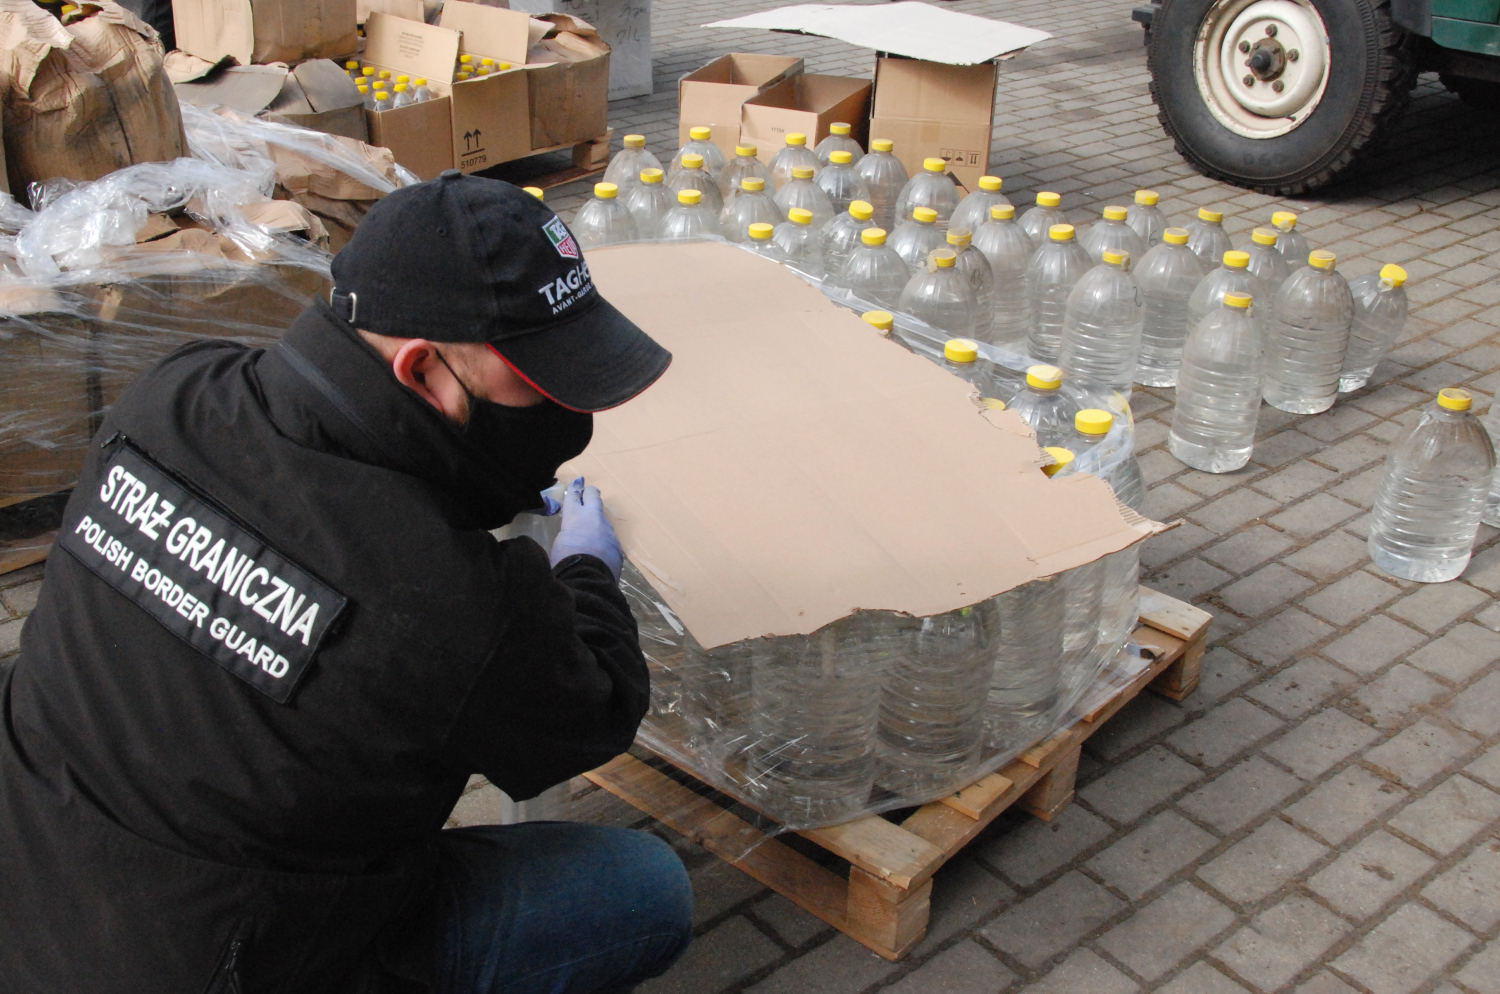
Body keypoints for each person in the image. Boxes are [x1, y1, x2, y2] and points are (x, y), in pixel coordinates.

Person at [0, 172, 693, 993]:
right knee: (641, 890)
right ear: (423, 371)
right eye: (541, 378)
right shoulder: (452, 604)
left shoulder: (173, 394)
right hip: (221, 965)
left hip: (28, 881)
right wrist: (584, 570)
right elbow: (592, 712)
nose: (566, 408)